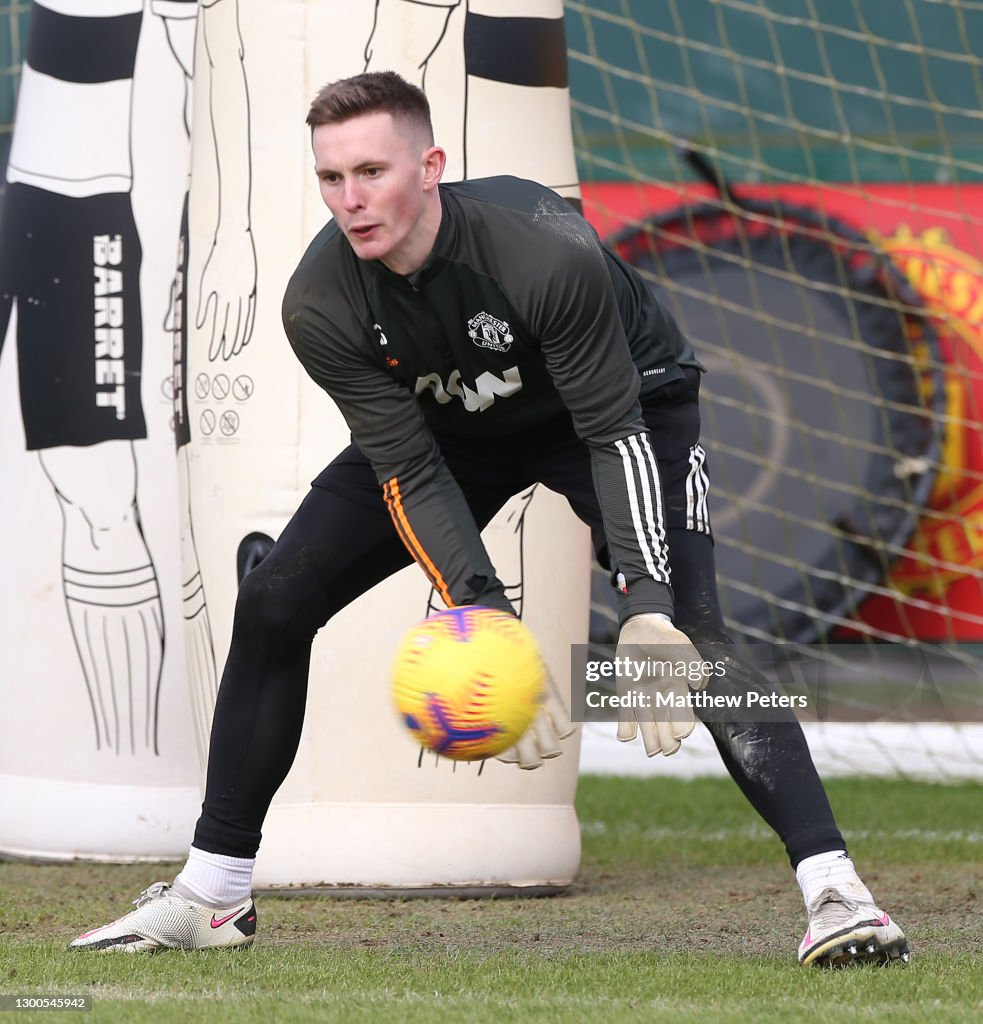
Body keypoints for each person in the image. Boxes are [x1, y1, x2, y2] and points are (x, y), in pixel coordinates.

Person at [69, 71, 909, 967]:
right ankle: (212, 892)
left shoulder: (542, 252)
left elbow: (611, 431)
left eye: (370, 172)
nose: (351, 201)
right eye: (330, 179)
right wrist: (487, 620)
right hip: (455, 428)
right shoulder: (320, 304)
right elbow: (406, 467)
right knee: (275, 597)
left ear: (429, 166)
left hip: (626, 406)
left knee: (692, 637)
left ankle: (836, 893)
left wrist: (646, 605)